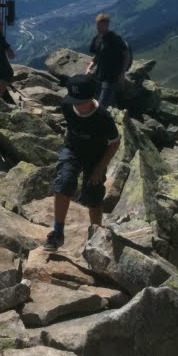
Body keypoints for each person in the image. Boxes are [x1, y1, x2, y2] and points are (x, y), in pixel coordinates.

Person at [44, 74, 120, 252]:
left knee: (93, 195)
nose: (78, 104)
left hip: (95, 156)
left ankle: (95, 235)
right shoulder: (67, 106)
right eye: (75, 100)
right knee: (64, 182)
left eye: (82, 101)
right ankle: (58, 232)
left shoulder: (103, 117)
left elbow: (115, 143)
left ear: (93, 97)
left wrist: (99, 169)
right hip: (73, 149)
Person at [87, 13, 132, 110]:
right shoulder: (97, 39)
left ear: (107, 25)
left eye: (101, 26)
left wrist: (122, 73)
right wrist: (89, 67)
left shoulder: (115, 38)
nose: (98, 28)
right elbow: (97, 56)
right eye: (97, 26)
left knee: (101, 106)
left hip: (111, 77)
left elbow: (126, 54)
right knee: (100, 101)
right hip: (100, 76)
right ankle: (114, 115)